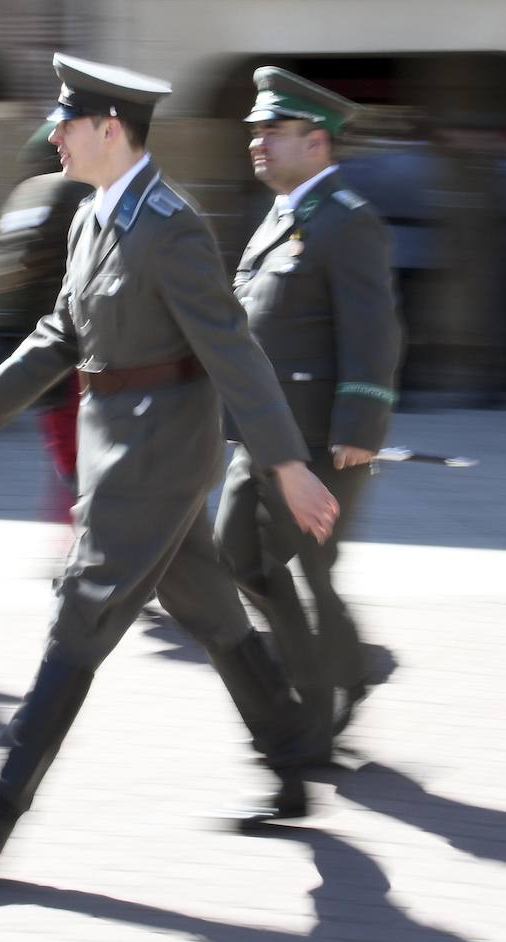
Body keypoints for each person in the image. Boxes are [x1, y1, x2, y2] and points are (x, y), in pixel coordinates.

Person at [0, 53, 339, 870]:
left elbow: (233, 351)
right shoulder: (91, 216)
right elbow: (62, 332)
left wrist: (286, 463)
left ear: (109, 128)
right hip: (114, 437)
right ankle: (296, 755)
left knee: (82, 611)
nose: (54, 134)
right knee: (211, 610)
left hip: (159, 451)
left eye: (67, 122)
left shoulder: (171, 226)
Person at [215, 69, 401, 750]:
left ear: (316, 142)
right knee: (239, 559)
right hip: (261, 437)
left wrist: (360, 428)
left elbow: (374, 331)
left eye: (273, 131)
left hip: (322, 441)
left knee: (301, 571)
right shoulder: (279, 215)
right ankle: (344, 668)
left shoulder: (348, 221)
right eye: (256, 131)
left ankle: (314, 717)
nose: (257, 143)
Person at [0, 119, 94, 515]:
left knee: (70, 458)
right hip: (87, 354)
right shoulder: (86, 192)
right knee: (87, 464)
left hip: (42, 355)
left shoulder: (32, 192)